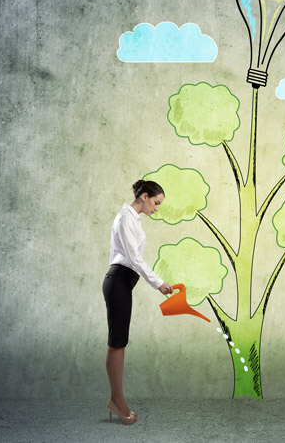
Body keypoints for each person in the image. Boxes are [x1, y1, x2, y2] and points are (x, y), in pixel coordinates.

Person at [102, 179, 174, 425]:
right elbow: (133, 257)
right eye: (156, 202)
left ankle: (117, 400)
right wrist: (159, 283)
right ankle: (117, 401)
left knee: (119, 341)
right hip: (118, 280)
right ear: (144, 196)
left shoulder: (133, 219)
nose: (157, 208)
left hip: (123, 282)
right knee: (117, 342)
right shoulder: (125, 218)